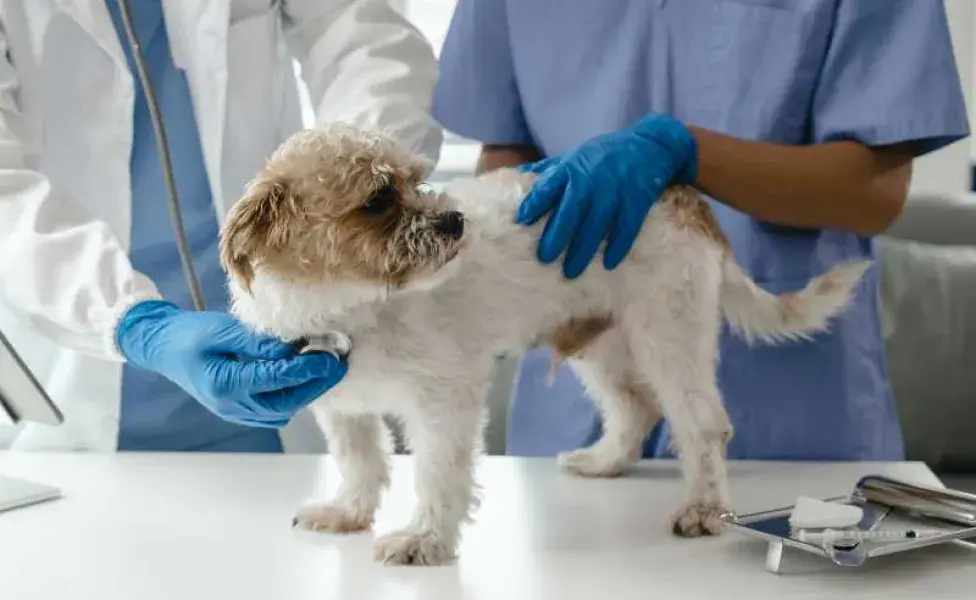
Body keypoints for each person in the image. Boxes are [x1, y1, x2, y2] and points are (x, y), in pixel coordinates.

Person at [432, 0, 970, 461]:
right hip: (573, 411)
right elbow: (505, 144)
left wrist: (688, 152)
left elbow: (874, 191)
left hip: (786, 419)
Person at [0, 1, 442, 452]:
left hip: (279, 384)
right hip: (69, 383)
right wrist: (136, 325)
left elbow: (362, 39)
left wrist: (367, 184)